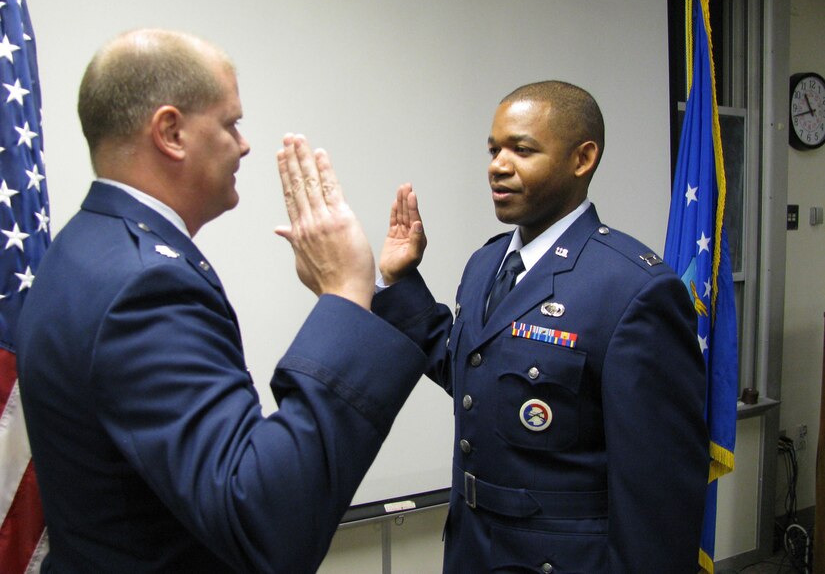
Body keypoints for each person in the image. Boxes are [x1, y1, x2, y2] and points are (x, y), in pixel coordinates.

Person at [15, 29, 427, 573]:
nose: (245, 143)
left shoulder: (84, 246)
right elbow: (261, 520)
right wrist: (346, 294)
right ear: (171, 132)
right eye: (230, 123)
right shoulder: (147, 285)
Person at [374, 80, 709, 573]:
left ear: (582, 158)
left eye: (522, 149)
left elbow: (658, 497)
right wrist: (400, 280)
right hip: (472, 550)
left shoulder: (633, 288)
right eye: (493, 149)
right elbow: (473, 375)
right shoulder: (486, 264)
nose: (497, 165)